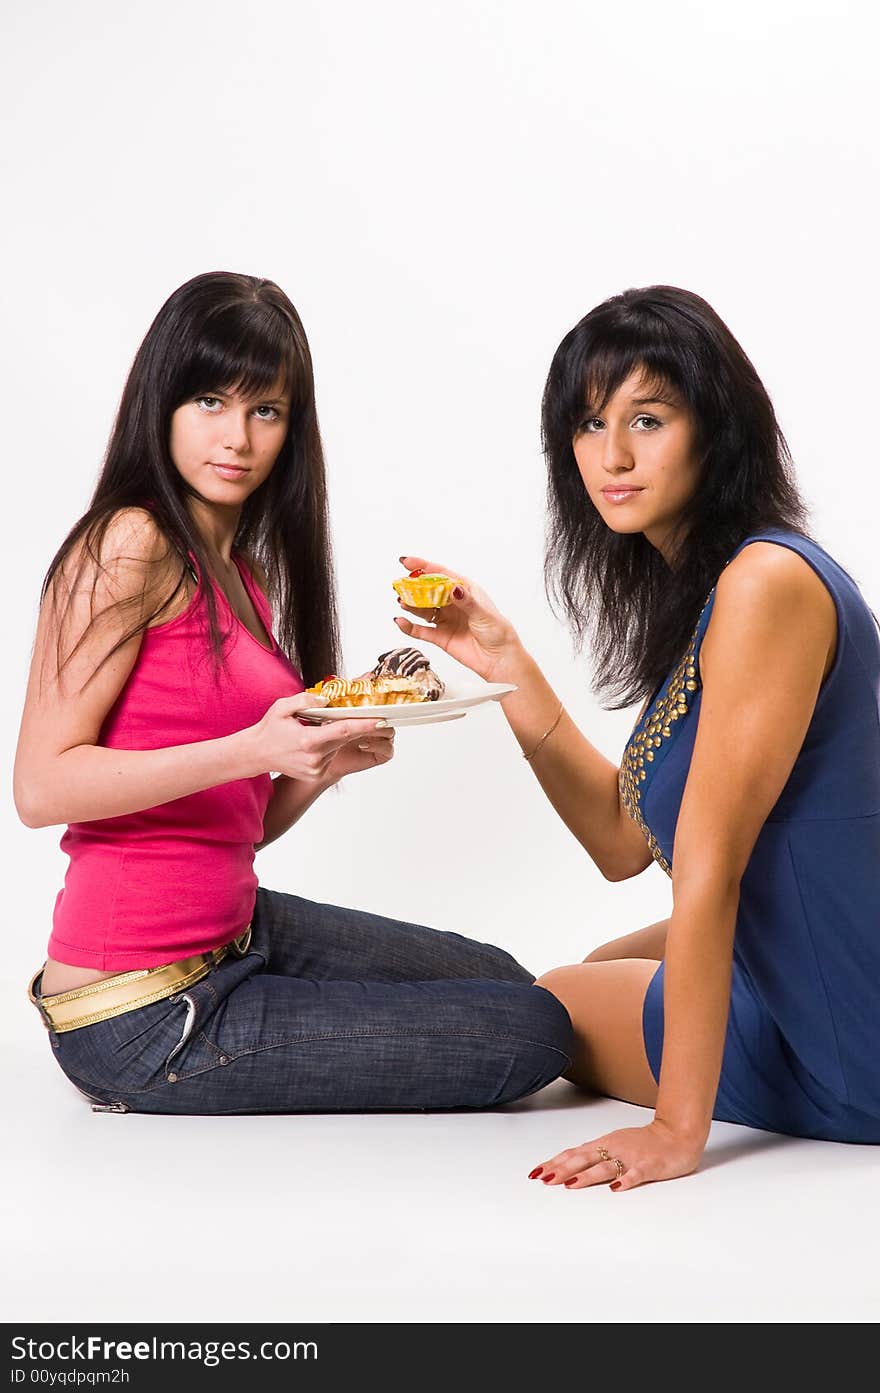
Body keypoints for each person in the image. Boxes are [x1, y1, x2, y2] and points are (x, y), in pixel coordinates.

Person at [14, 270, 574, 1115]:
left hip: (232, 931)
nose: (237, 436)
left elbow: (232, 822)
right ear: (160, 404)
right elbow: (39, 788)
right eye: (210, 400)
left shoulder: (241, 574)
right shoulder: (129, 543)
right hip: (144, 1010)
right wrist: (251, 747)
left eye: (265, 410)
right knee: (532, 1031)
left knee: (502, 976)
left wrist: (319, 761)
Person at [394, 284, 880, 1192]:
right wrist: (505, 662)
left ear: (717, 428)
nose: (611, 456)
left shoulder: (764, 585)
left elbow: (708, 867)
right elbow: (624, 842)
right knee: (600, 967)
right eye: (587, 426)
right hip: (830, 960)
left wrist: (675, 1129)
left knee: (559, 999)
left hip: (853, 1028)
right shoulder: (715, 589)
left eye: (646, 419)